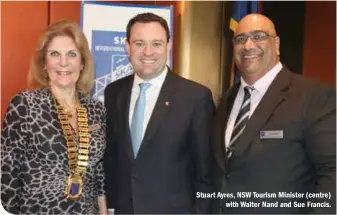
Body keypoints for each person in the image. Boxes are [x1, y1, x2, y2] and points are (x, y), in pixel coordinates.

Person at [211, 13, 336, 214]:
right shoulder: (227, 99)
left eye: (259, 36)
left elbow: (332, 172)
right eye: (240, 39)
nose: (248, 45)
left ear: (276, 44)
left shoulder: (313, 96)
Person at [104, 12, 214, 214]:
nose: (148, 52)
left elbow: (206, 173)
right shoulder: (113, 93)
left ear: (168, 46)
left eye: (156, 43)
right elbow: (112, 158)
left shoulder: (196, 97)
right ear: (127, 46)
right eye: (139, 43)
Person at [1, 19, 108, 214]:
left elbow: (97, 173)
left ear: (82, 63)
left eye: (72, 54)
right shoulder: (25, 105)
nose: (64, 62)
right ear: (44, 63)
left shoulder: (96, 109)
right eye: (55, 54)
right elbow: (7, 173)